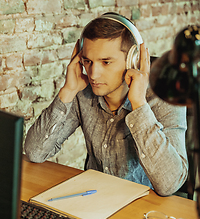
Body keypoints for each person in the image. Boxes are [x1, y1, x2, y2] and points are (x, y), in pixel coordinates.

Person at [24, 13, 188, 197]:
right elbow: (34, 152)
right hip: (93, 199)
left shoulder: (165, 96)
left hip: (145, 211)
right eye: (88, 61)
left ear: (132, 60)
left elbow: (170, 184)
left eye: (106, 62)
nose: (93, 74)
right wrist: (68, 90)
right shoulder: (83, 91)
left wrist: (139, 105)